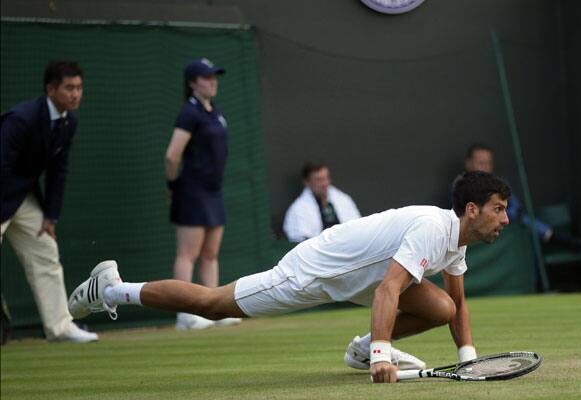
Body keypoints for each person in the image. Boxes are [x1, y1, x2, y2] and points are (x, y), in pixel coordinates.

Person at [69, 171, 511, 383]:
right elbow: (389, 288)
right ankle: (110, 288)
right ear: (471, 210)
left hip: (360, 280)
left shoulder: (458, 241)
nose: (504, 219)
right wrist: (382, 354)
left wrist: (469, 358)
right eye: (498, 209)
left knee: (443, 306)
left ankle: (358, 350)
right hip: (316, 270)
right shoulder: (433, 228)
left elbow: (459, 305)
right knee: (211, 302)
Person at [0, 60, 97, 343]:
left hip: (22, 198)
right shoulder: (21, 118)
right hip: (3, 193)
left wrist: (50, 216)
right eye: (69, 88)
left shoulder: (69, 122)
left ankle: (60, 327)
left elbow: (58, 171)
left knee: (45, 252)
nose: (76, 94)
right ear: (51, 89)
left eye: (79, 88)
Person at [164, 58, 241, 330]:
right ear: (192, 83)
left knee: (210, 254)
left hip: (214, 192)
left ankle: (215, 310)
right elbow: (173, 156)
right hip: (191, 191)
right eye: (206, 77)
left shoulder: (214, 112)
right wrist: (173, 187)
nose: (212, 81)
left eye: (214, 77)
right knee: (188, 254)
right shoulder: (189, 113)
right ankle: (185, 314)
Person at [461, 143, 581, 249]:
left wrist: (507, 213)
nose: (485, 167)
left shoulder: (499, 183)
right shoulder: (461, 186)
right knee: (526, 224)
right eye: (481, 163)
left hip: (511, 227)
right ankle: (559, 239)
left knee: (526, 230)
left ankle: (557, 240)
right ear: (469, 163)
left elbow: (516, 206)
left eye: (488, 163)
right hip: (483, 228)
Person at [283, 161, 361, 242]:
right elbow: (299, 240)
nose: (324, 183)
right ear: (307, 182)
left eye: (326, 178)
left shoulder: (344, 200)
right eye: (319, 180)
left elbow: (357, 228)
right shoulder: (298, 209)